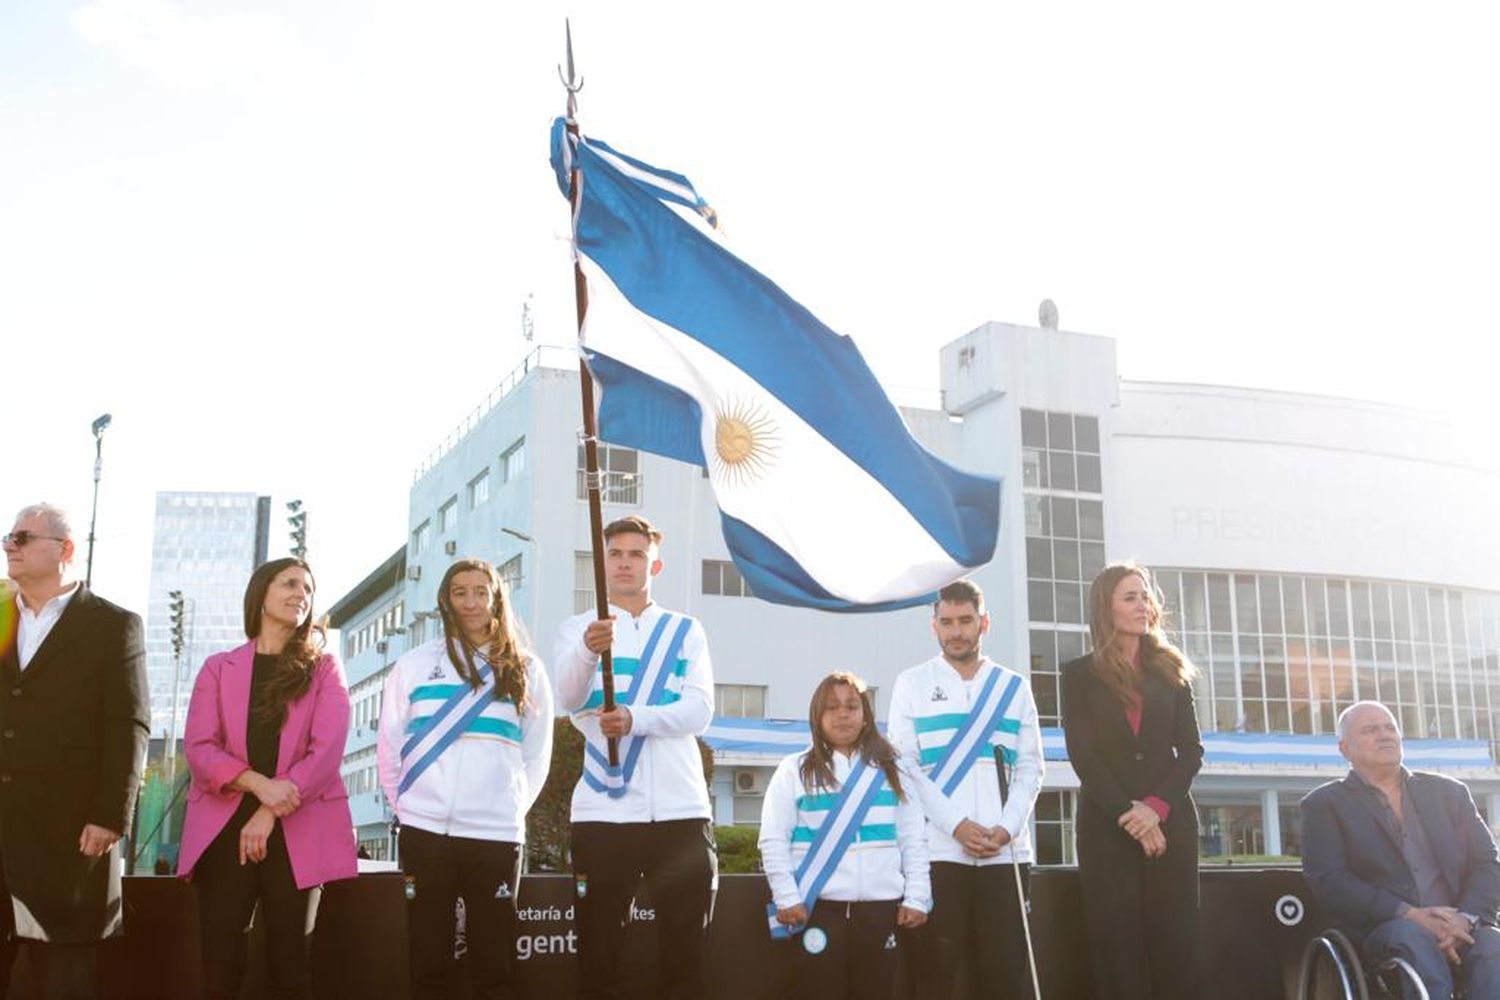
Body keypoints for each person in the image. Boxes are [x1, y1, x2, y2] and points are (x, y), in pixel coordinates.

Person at [177, 558, 357, 1000]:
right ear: (261, 593)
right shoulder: (219, 668)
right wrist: (260, 786)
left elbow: (327, 750)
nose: (302, 594)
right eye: (290, 583)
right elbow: (200, 747)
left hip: (299, 827)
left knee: (291, 966)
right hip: (223, 831)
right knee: (220, 965)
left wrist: (268, 812)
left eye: (309, 589)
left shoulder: (324, 669)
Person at [553, 515, 716, 1000]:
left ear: (655, 564)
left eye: (636, 554)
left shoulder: (685, 630)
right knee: (599, 957)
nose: (625, 563)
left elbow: (700, 710)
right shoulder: (578, 627)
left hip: (680, 813)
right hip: (604, 810)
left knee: (684, 957)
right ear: (601, 565)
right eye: (616, 554)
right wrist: (586, 651)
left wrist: (635, 718)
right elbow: (567, 696)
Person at [377, 558, 553, 999]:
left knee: (495, 963)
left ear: (496, 598)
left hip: (495, 833)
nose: (471, 602)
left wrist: (507, 809)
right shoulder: (415, 665)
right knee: (429, 958)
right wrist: (411, 809)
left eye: (480, 591)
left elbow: (536, 754)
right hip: (425, 832)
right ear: (446, 599)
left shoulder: (526, 668)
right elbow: (389, 746)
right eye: (460, 592)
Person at [0, 502, 149, 998]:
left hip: (69, 840)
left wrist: (111, 814)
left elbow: (128, 724)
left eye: (22, 537)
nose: (9, 546)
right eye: (8, 537)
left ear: (64, 549)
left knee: (66, 981)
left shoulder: (113, 626)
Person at [886, 579, 1043, 1000]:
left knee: (1004, 975)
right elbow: (906, 767)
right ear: (933, 625)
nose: (957, 631)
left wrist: (1006, 828)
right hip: (938, 851)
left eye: (966, 621)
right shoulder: (911, 683)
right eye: (947, 622)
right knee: (937, 976)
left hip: (1005, 853)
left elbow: (1031, 767)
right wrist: (956, 825)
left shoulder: (1013, 687)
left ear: (984, 623)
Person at [1061, 562, 1203, 1000]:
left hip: (1171, 826)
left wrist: (1156, 809)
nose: (1143, 604)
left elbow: (1192, 752)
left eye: (1145, 596)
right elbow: (1083, 756)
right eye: (1130, 597)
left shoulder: (1172, 670)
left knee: (1174, 948)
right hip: (1107, 827)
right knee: (1116, 952)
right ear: (1106, 608)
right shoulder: (1078, 675)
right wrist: (1131, 815)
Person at [1301, 700, 1500, 998]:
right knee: (1412, 939)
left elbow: (1486, 862)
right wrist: (1410, 914)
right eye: (1370, 730)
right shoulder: (1324, 805)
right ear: (1345, 749)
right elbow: (1331, 882)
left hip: (1461, 925)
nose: (1385, 735)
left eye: (1390, 727)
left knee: (1493, 944)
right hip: (1384, 929)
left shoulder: (1450, 793)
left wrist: (1465, 919)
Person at [760, 672, 930, 999]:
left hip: (882, 911)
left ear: (865, 715)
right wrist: (786, 897)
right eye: (832, 707)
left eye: (852, 706)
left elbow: (914, 840)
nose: (842, 714)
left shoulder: (894, 770)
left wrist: (918, 896)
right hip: (818, 911)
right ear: (817, 716)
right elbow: (773, 839)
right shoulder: (793, 769)